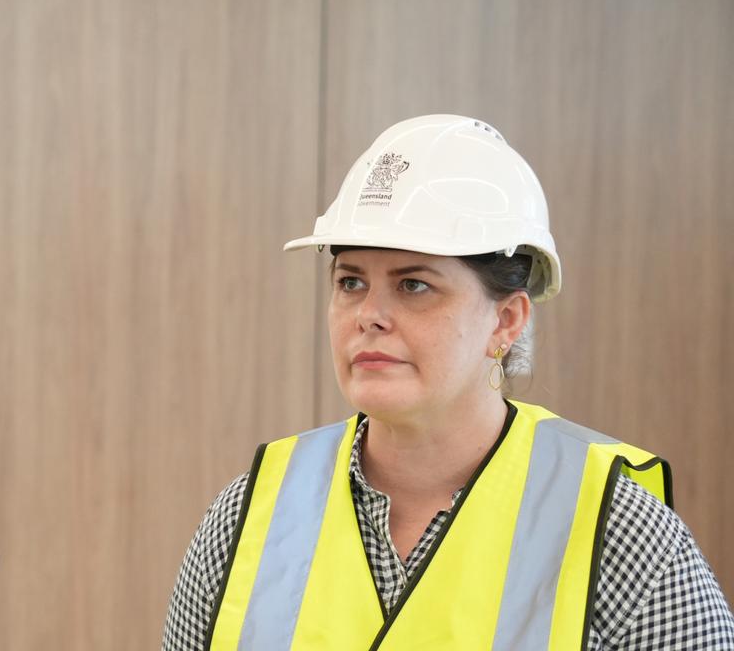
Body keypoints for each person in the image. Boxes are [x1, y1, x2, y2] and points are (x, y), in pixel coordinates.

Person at [161, 115, 733, 650]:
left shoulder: (620, 533)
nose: (369, 315)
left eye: (413, 285)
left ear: (506, 320)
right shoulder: (246, 516)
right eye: (351, 282)